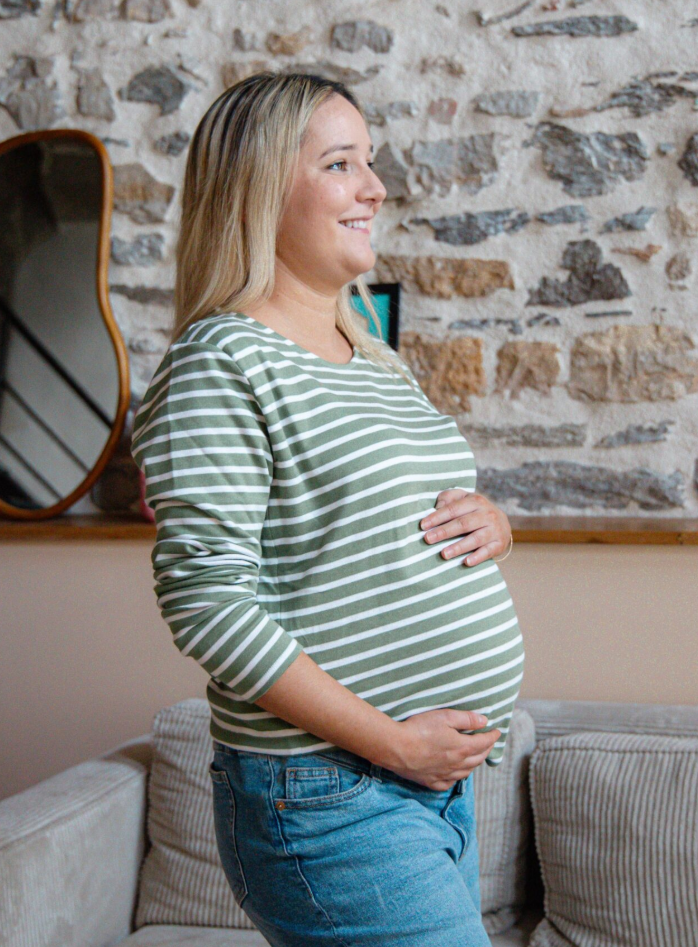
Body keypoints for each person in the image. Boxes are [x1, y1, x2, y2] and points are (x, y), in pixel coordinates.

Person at [131, 71, 524, 947]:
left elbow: (383, 519)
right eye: (341, 164)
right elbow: (207, 599)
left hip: (423, 788)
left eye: (369, 162)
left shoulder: (371, 354)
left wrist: (492, 522)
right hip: (332, 793)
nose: (375, 188)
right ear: (259, 188)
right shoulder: (222, 362)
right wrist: (392, 743)